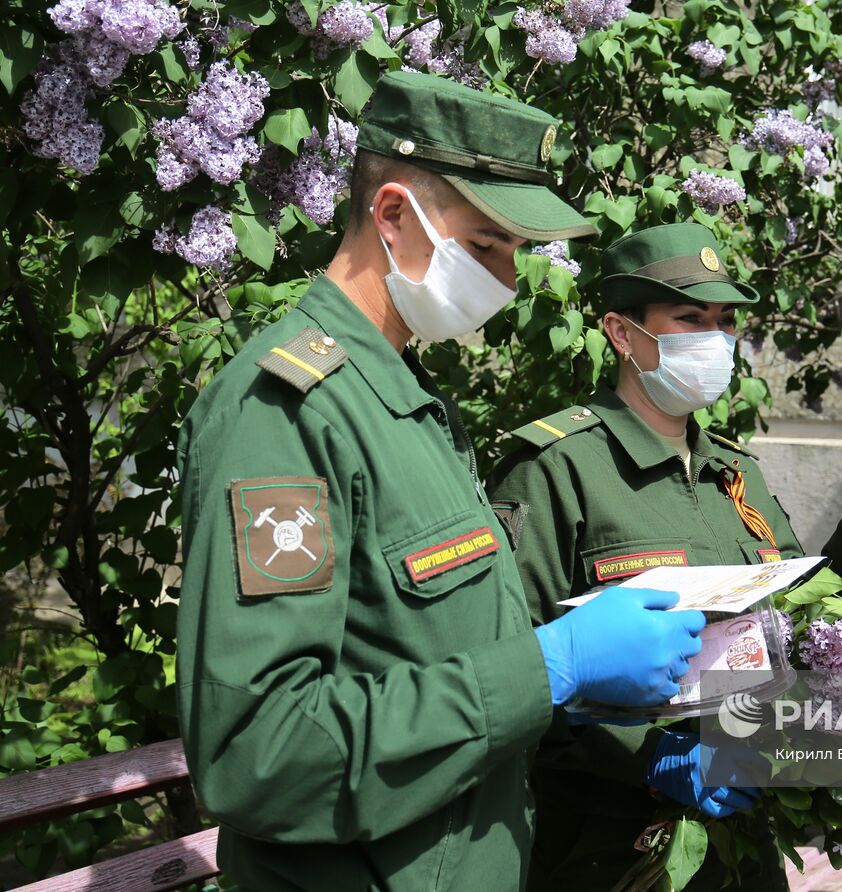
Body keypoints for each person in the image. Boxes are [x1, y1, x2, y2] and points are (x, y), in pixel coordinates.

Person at [176, 72, 710, 891]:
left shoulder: (405, 403)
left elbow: (425, 657)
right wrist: (550, 664)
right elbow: (261, 755)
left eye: (515, 253)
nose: (507, 277)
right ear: (392, 214)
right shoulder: (284, 414)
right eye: (486, 245)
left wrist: (588, 682)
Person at [488, 222, 842, 890]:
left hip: (745, 836)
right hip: (611, 850)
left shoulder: (735, 471)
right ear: (622, 333)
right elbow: (515, 668)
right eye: (689, 318)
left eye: (725, 321)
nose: (715, 339)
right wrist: (645, 757)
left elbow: (798, 632)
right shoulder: (556, 469)